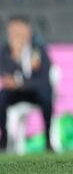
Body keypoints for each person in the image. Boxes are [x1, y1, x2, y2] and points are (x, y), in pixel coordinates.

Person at [0, 17, 53, 151]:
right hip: (16, 93)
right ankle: (4, 139)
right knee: (2, 97)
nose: (13, 35)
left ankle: (48, 139)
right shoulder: (6, 51)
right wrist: (16, 58)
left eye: (17, 31)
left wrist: (20, 82)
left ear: (27, 31)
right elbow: (6, 75)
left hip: (35, 92)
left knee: (46, 95)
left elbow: (43, 79)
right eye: (11, 32)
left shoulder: (39, 49)